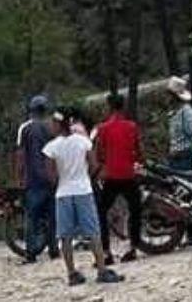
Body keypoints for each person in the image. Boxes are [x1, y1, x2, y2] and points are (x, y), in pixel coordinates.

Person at [42, 111, 122, 286]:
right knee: (93, 232)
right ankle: (102, 269)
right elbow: (93, 166)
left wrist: (59, 180)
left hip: (63, 193)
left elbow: (51, 176)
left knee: (65, 236)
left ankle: (72, 273)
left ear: (58, 124)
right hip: (83, 190)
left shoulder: (51, 147)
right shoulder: (83, 142)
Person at [94, 92, 144, 265]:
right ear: (123, 107)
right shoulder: (132, 126)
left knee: (101, 210)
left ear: (109, 107)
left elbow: (100, 153)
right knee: (135, 209)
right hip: (129, 174)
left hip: (112, 175)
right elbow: (138, 151)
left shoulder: (103, 128)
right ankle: (133, 247)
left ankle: (106, 252)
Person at [15, 95, 57, 263]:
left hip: (33, 179)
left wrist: (19, 177)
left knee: (32, 218)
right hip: (50, 178)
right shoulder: (51, 128)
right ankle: (54, 249)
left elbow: (20, 155)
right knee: (53, 216)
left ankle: (31, 253)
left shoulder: (25, 129)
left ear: (31, 110)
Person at [165, 76, 192, 171]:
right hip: (175, 159)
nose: (166, 97)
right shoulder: (173, 113)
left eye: (168, 95)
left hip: (185, 159)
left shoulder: (186, 112)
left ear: (174, 96)